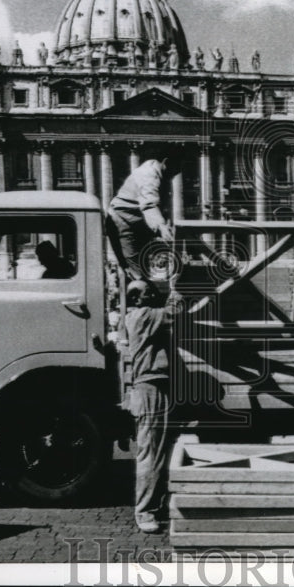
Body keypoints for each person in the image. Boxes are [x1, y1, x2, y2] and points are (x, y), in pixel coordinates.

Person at [122, 279, 184, 533]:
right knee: (151, 452)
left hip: (154, 387)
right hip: (150, 389)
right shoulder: (143, 316)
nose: (153, 295)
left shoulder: (140, 316)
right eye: (148, 293)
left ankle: (153, 505)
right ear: (136, 298)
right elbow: (176, 310)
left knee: (158, 450)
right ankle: (144, 511)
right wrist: (178, 282)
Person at [106, 149, 176, 281]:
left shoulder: (159, 172)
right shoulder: (149, 174)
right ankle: (138, 296)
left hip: (137, 223)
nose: (178, 172)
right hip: (123, 223)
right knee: (136, 273)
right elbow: (149, 204)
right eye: (178, 167)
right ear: (166, 162)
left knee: (147, 267)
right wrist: (161, 226)